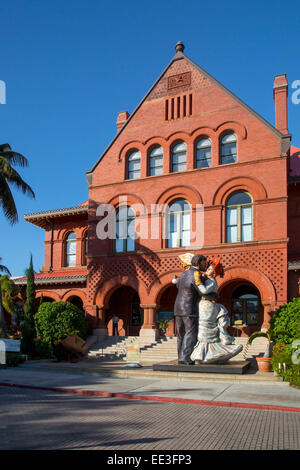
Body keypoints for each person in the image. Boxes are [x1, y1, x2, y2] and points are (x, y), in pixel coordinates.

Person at [190, 258, 243, 364]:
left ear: (214, 273)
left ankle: (205, 355)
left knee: (206, 330)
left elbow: (204, 290)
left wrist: (198, 281)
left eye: (210, 270)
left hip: (208, 306)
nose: (207, 270)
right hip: (203, 305)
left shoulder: (212, 282)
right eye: (208, 268)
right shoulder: (208, 280)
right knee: (203, 330)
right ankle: (201, 355)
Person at [173, 253, 217, 365]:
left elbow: (178, 286)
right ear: (198, 262)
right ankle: (186, 357)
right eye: (204, 262)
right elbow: (201, 290)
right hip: (188, 307)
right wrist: (213, 295)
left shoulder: (184, 273)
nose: (206, 265)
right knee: (190, 332)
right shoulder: (196, 273)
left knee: (180, 334)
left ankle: (180, 357)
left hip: (178, 307)